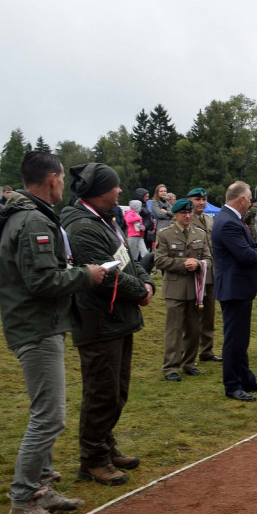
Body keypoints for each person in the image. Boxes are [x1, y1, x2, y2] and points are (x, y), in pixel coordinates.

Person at [0, 152, 109, 514]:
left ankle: (40, 490)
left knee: (47, 414)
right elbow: (41, 282)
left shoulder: (30, 215)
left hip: (40, 324)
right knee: (49, 417)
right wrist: (85, 276)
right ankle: (22, 506)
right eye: (60, 177)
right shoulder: (31, 221)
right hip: (36, 327)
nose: (63, 183)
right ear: (53, 179)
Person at [61, 163, 155, 486]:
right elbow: (103, 276)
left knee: (117, 391)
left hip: (117, 319)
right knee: (102, 393)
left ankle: (105, 445)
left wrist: (145, 282)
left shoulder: (105, 220)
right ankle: (92, 460)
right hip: (98, 321)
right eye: (115, 187)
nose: (119, 192)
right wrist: (140, 291)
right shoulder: (83, 227)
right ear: (99, 191)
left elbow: (126, 257)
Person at [212, 181, 257, 402]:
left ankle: (246, 378)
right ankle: (232, 385)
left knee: (241, 339)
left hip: (239, 288)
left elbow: (245, 249)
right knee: (234, 340)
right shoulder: (228, 222)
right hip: (233, 289)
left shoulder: (231, 219)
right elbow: (247, 256)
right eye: (249, 199)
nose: (251, 203)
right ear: (241, 199)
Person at [154, 198, 212, 381]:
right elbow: (159, 260)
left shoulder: (200, 234)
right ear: (176, 215)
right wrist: (182, 264)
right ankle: (171, 367)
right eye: (183, 213)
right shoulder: (165, 234)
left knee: (193, 329)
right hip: (175, 288)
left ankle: (189, 363)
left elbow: (209, 259)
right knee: (174, 330)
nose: (187, 216)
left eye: (190, 213)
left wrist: (198, 263)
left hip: (195, 288)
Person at [186, 188, 222, 363]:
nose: (201, 202)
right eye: (197, 199)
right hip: (193, 273)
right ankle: (188, 354)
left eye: (204, 199)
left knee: (209, 314)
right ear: (189, 200)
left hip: (211, 271)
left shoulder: (209, 219)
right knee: (192, 317)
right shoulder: (183, 219)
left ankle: (206, 351)